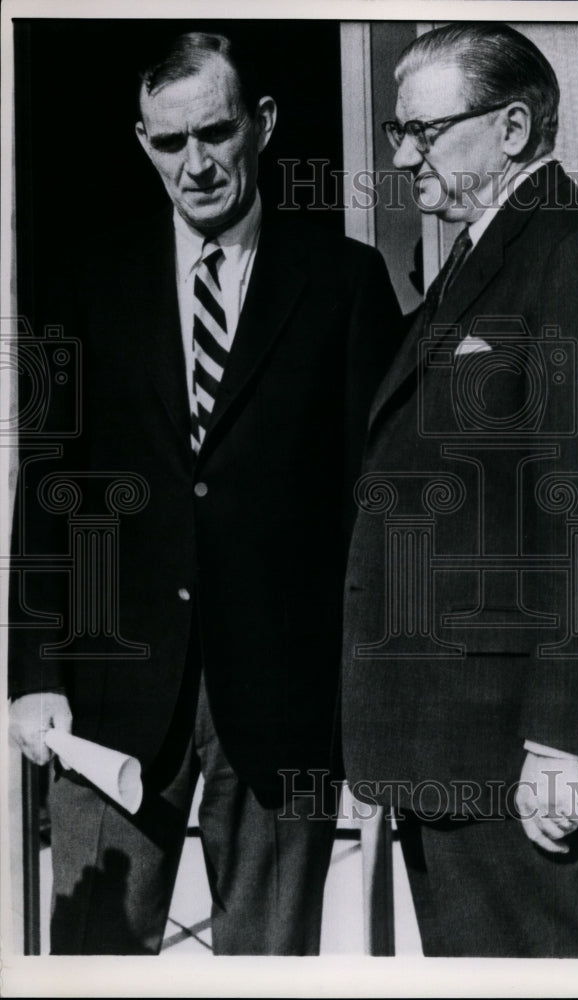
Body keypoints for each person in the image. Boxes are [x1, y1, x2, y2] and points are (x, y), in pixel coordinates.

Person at [9, 30, 402, 955]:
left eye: (214, 133)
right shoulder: (84, 284)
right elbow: (50, 484)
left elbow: (377, 501)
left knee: (270, 959)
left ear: (259, 125)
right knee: (93, 955)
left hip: (286, 700)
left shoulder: (343, 284)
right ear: (141, 142)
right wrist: (33, 677)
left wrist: (368, 687)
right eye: (167, 142)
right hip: (109, 696)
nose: (195, 164)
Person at [341, 23, 578, 957]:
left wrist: (561, 741)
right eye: (397, 133)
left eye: (424, 131)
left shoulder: (575, 248)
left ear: (512, 128)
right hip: (450, 748)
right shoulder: (473, 256)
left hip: (514, 757)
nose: (402, 156)